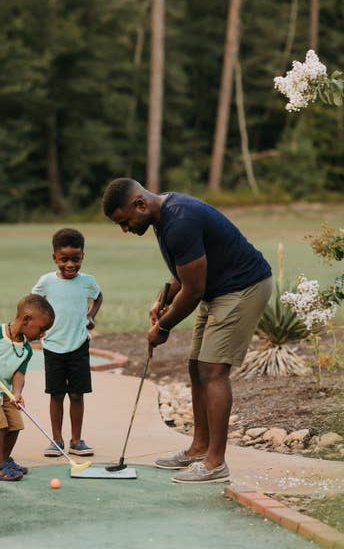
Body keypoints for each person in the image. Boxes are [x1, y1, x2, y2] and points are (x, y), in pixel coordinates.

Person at [102, 179, 272, 484]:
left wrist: (163, 327)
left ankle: (215, 463)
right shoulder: (163, 216)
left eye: (126, 222)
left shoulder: (180, 220)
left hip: (243, 287)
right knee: (197, 367)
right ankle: (198, 449)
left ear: (139, 204)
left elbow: (194, 290)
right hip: (218, 289)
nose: (125, 229)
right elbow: (183, 273)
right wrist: (162, 300)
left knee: (213, 370)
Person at [0, 294, 55, 481]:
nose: (42, 334)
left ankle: (4, 460)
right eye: (42, 329)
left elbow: (19, 374)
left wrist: (17, 393)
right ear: (26, 320)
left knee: (15, 424)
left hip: (3, 389)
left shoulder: (26, 349)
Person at [32, 228, 103, 458]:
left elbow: (98, 296)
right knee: (56, 394)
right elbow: (34, 303)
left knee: (76, 394)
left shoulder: (87, 282)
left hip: (79, 345)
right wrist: (39, 327)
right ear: (55, 258)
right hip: (53, 346)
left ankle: (76, 440)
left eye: (76, 259)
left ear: (83, 257)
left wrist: (91, 316)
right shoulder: (46, 282)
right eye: (64, 260)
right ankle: (56, 440)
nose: (70, 264)